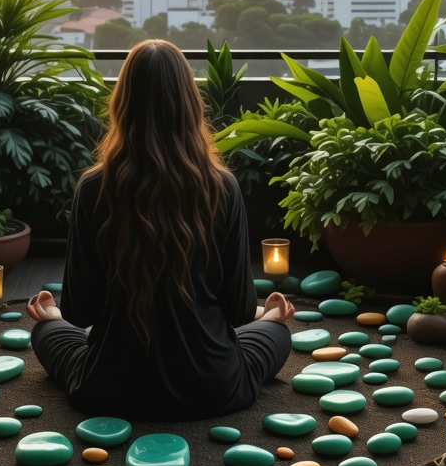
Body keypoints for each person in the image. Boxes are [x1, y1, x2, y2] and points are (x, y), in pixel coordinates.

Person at [28, 39, 294, 421]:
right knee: (278, 332)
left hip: (109, 386)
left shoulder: (93, 188)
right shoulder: (222, 186)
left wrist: (55, 316)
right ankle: (272, 324)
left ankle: (69, 332)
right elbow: (236, 310)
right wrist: (267, 319)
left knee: (46, 330)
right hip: (212, 387)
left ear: (122, 104)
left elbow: (80, 309)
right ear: (190, 105)